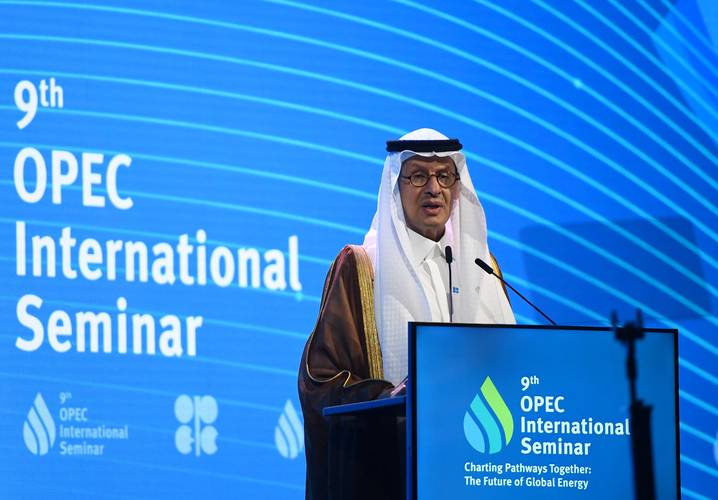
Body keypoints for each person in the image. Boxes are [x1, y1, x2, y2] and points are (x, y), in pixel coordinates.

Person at [298, 128, 515, 499]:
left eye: (444, 176)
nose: (433, 189)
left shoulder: (484, 269)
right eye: (417, 176)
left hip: (479, 470)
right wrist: (390, 396)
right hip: (391, 471)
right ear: (395, 186)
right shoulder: (364, 268)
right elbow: (320, 382)